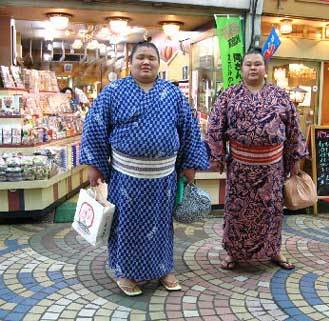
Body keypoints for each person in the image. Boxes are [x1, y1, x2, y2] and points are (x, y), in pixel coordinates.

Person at [79, 41, 208, 296]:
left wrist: (190, 165)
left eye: (151, 58)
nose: (145, 62)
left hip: (163, 178)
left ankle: (163, 268)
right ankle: (126, 273)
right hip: (126, 177)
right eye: (140, 57)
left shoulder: (172, 95)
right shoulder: (113, 92)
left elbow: (190, 130)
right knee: (126, 225)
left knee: (162, 226)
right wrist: (94, 165)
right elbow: (94, 127)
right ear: (131, 62)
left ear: (158, 64)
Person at [206, 47, 307, 271]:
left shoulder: (280, 96)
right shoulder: (229, 95)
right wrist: (217, 156)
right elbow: (214, 128)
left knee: (272, 211)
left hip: (272, 168)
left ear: (265, 69)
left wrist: (295, 159)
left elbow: (293, 129)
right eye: (248, 64)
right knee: (237, 211)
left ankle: (273, 251)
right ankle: (234, 253)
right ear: (241, 69)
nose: (253, 68)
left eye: (257, 64)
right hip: (240, 167)